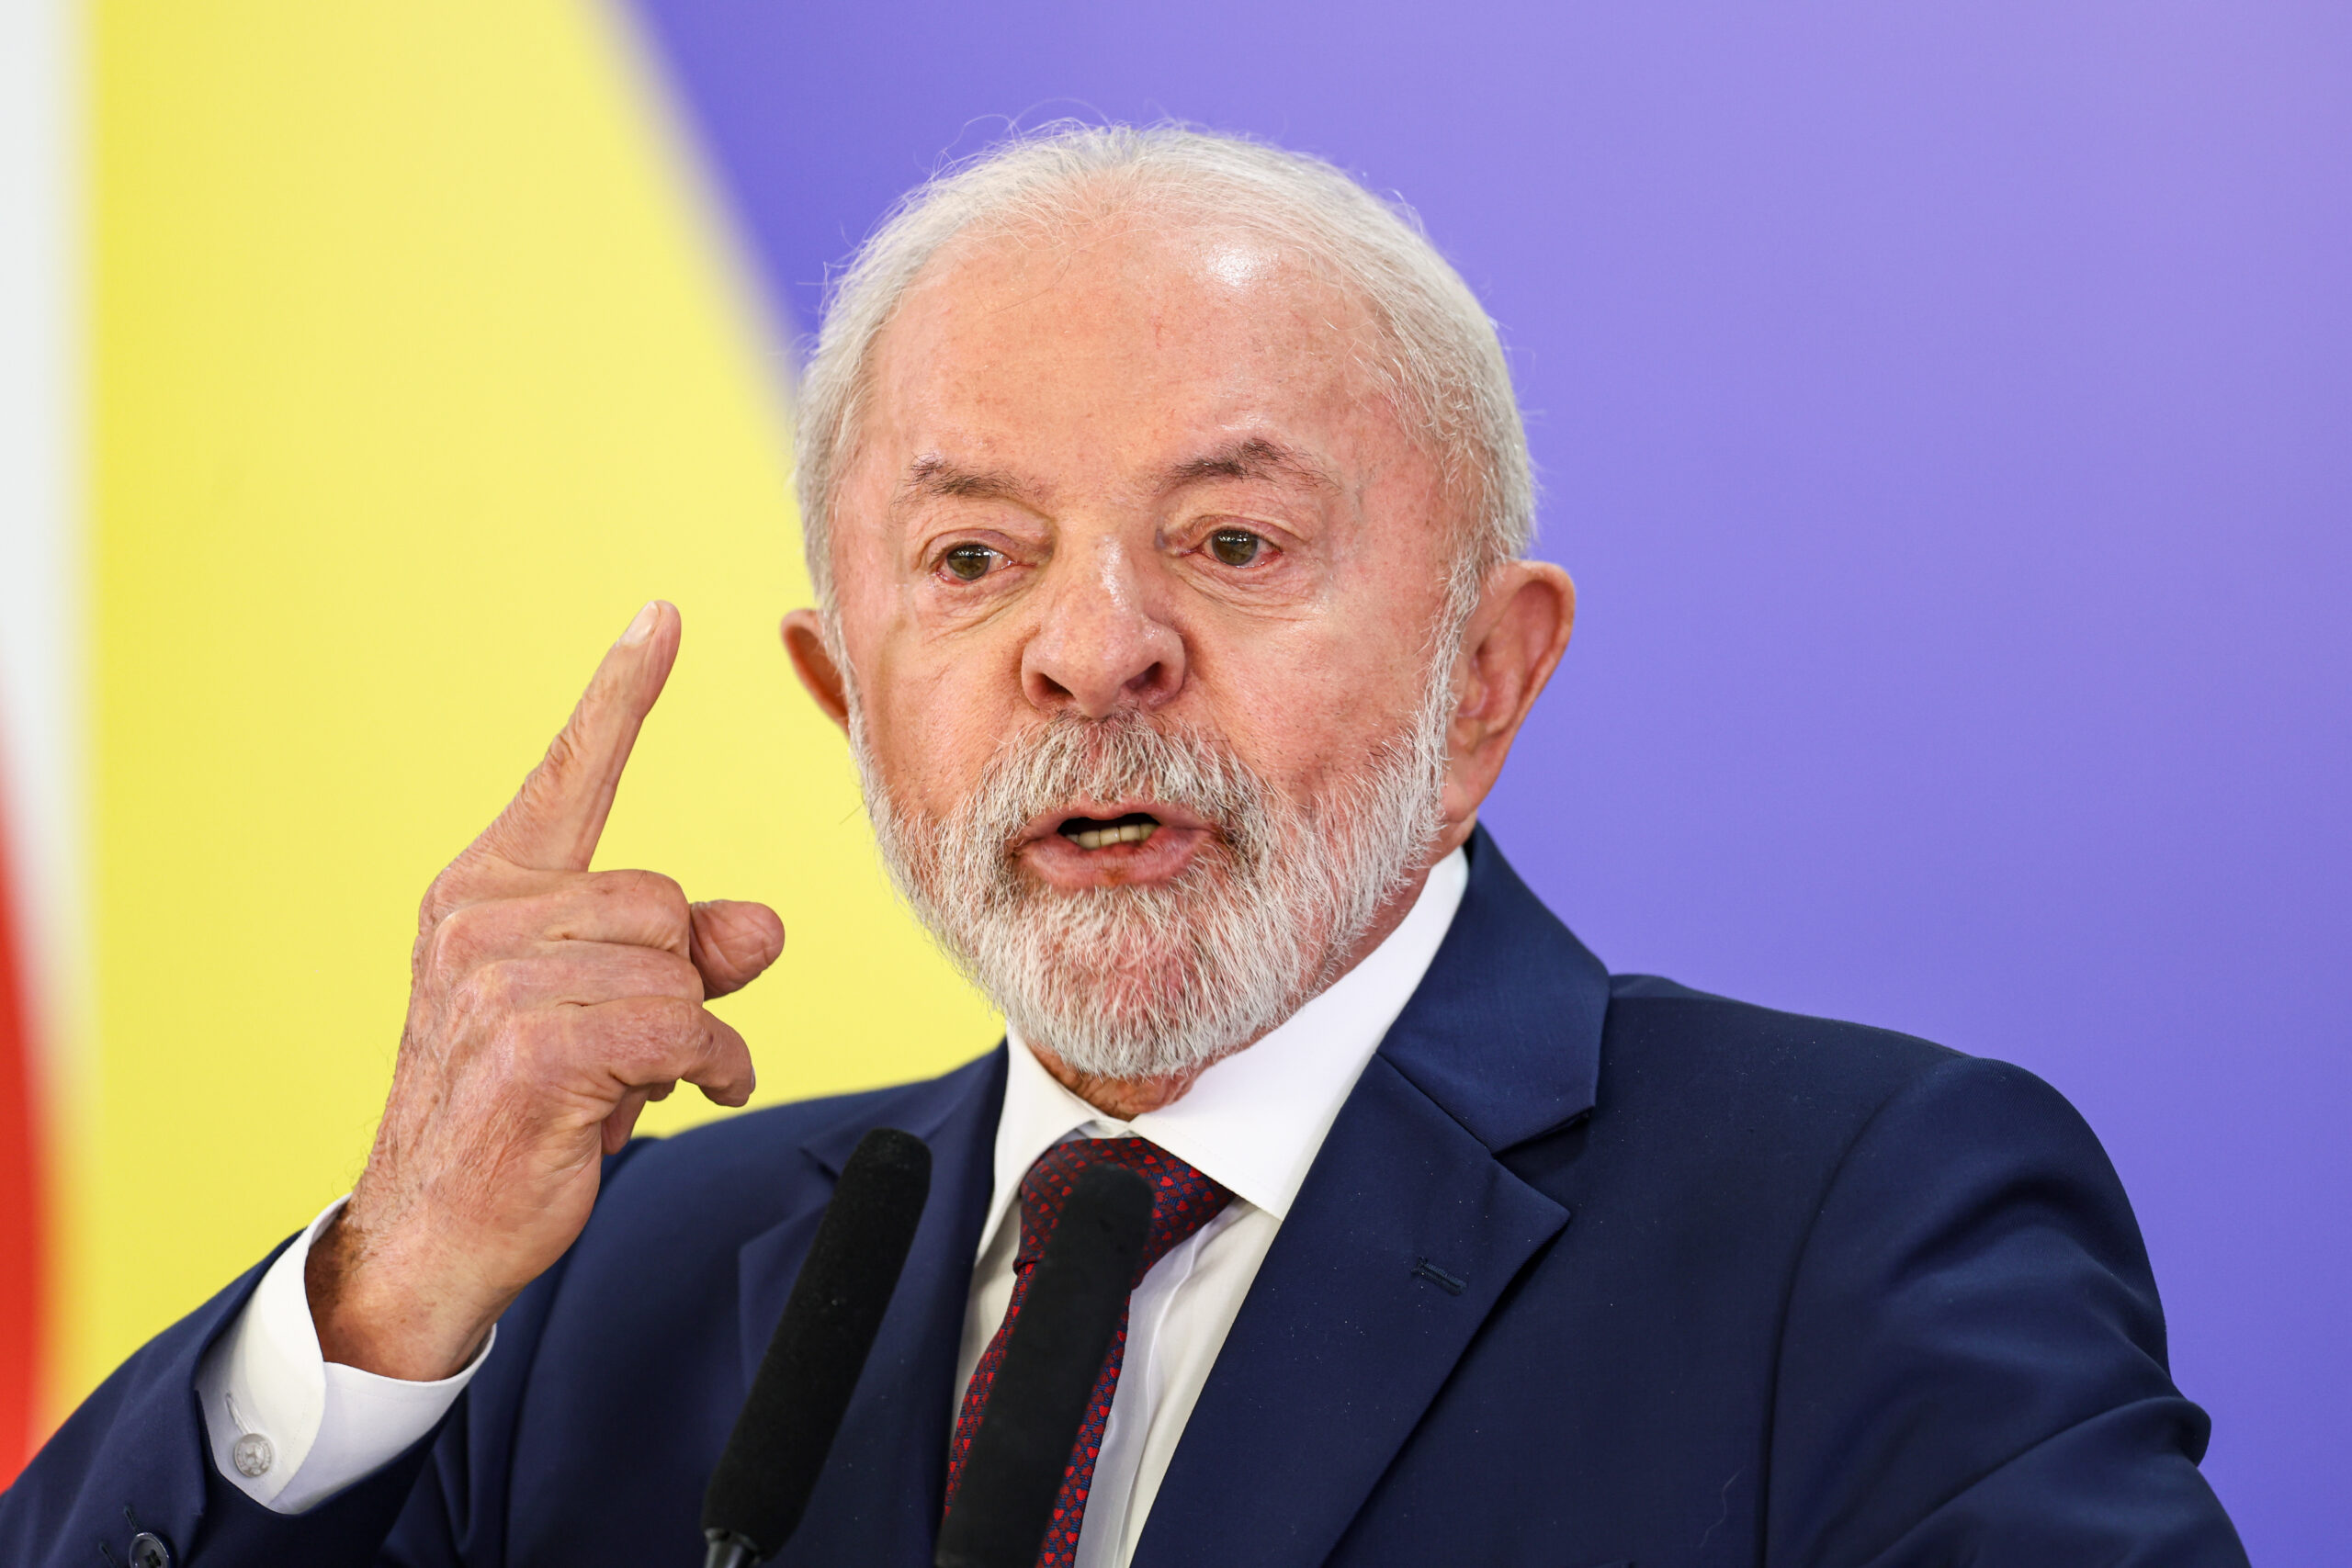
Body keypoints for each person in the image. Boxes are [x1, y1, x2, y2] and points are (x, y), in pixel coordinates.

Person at [2, 125, 2245, 1568]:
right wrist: (390, 1285)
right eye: (969, 560)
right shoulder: (607, 1291)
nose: (1094, 652)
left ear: (1488, 672)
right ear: (841, 696)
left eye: (1233, 536)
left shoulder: (1842, 1221)